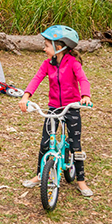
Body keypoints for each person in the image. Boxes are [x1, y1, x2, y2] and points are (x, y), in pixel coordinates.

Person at [17, 25, 94, 197]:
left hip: (72, 107)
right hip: (53, 107)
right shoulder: (47, 64)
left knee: (75, 145)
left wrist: (85, 96)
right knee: (45, 143)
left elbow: (83, 80)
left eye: (46, 45)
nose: (44, 49)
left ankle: (81, 181)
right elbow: (36, 79)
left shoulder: (73, 63)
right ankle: (39, 175)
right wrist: (26, 96)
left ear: (59, 47)